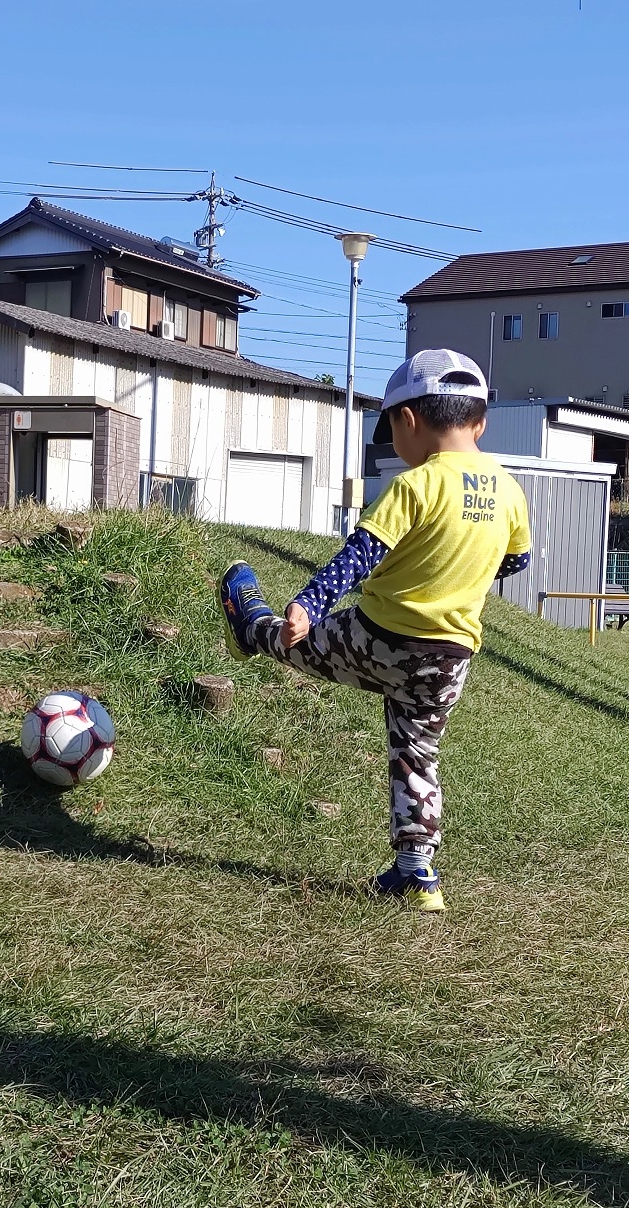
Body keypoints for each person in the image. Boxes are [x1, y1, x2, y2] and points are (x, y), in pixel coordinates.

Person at [219, 349, 532, 912]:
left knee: (297, 646)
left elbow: (358, 558)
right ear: (480, 422)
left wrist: (309, 605)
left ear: (406, 421)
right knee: (417, 751)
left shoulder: (416, 486)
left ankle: (251, 628)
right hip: (449, 659)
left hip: (380, 638)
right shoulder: (509, 491)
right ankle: (417, 870)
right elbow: (516, 563)